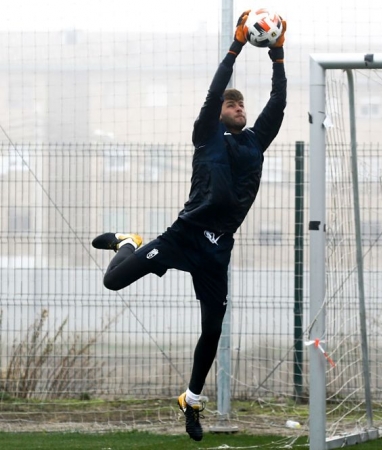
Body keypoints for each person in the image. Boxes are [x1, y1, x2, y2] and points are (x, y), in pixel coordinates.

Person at [92, 10, 287, 442]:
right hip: (184, 236)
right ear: (218, 112)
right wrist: (236, 46)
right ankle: (127, 241)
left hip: (218, 249)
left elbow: (279, 102)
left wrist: (278, 56)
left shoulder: (256, 141)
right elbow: (216, 88)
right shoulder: (206, 133)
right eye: (231, 104)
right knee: (114, 282)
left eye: (241, 104)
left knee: (213, 329)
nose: (238, 107)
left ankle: (192, 399)